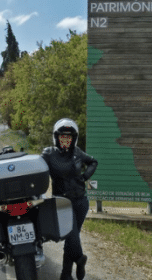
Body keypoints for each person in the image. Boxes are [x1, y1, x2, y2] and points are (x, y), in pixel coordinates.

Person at [41, 118, 98, 280]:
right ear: (56, 138)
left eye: (69, 137)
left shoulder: (78, 152)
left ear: (74, 139)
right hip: (61, 203)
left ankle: (66, 275)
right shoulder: (48, 154)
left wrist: (85, 176)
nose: (66, 140)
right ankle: (80, 260)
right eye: (62, 137)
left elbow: (94, 161)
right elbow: (36, 167)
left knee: (72, 238)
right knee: (71, 236)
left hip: (81, 202)